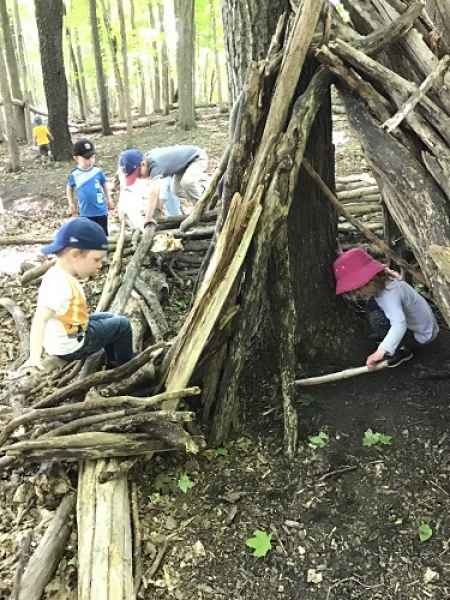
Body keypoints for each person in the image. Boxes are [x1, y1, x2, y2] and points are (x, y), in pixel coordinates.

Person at [21, 218, 133, 371]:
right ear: (75, 255)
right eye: (96, 259)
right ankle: (125, 367)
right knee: (123, 325)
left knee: (109, 317)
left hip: (72, 331)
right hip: (72, 345)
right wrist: (34, 357)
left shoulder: (61, 274)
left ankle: (111, 359)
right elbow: (40, 319)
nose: (100, 265)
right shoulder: (58, 284)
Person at [333, 248, 439, 368]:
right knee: (372, 305)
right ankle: (393, 341)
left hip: (421, 336)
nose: (357, 294)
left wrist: (381, 351)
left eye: (358, 289)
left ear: (371, 280)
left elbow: (399, 324)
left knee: (377, 319)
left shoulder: (389, 295)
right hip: (426, 327)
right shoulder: (386, 281)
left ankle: (403, 350)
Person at [118, 145, 209, 223]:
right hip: (183, 166)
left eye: (139, 174)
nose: (139, 178)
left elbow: (154, 192)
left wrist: (148, 218)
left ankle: (203, 210)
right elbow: (158, 194)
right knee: (176, 190)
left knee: (187, 182)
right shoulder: (148, 163)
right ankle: (202, 195)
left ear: (143, 164)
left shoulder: (155, 164)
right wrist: (156, 213)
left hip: (197, 157)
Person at [66, 139, 113, 235]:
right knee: (89, 236)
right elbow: (69, 187)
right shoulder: (75, 174)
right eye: (86, 158)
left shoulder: (97, 171)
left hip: (101, 211)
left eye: (92, 157)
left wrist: (109, 198)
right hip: (85, 213)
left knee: (102, 234)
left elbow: (104, 183)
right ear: (76, 158)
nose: (90, 161)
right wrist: (71, 203)